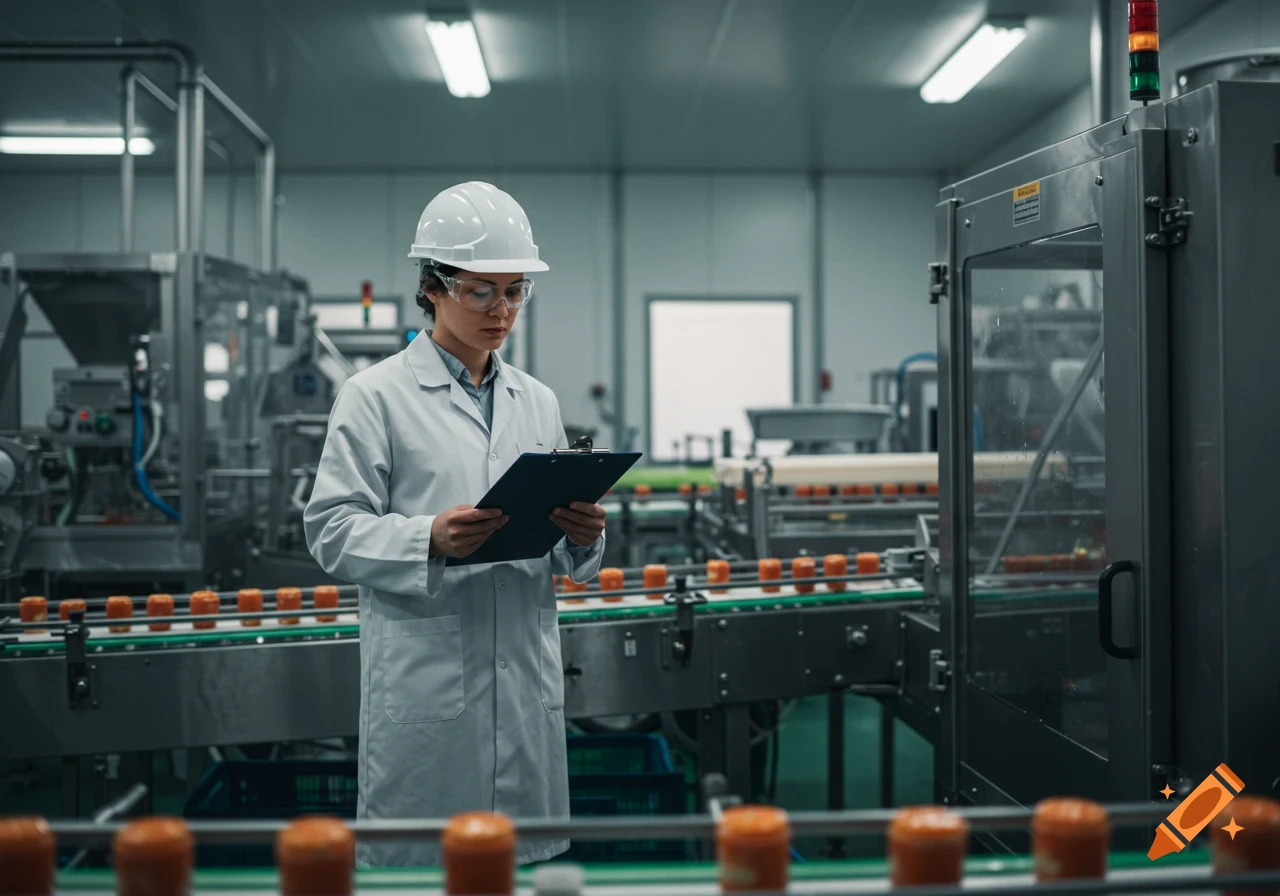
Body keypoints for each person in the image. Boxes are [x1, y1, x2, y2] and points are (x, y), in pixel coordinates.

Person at [304, 182, 608, 868]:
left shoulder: (539, 401)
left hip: (525, 680)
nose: (501, 310)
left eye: (515, 291)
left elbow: (567, 557)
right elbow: (329, 527)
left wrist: (583, 534)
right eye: (481, 291)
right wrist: (426, 539)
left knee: (521, 867)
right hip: (426, 683)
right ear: (432, 287)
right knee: (424, 870)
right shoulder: (373, 396)